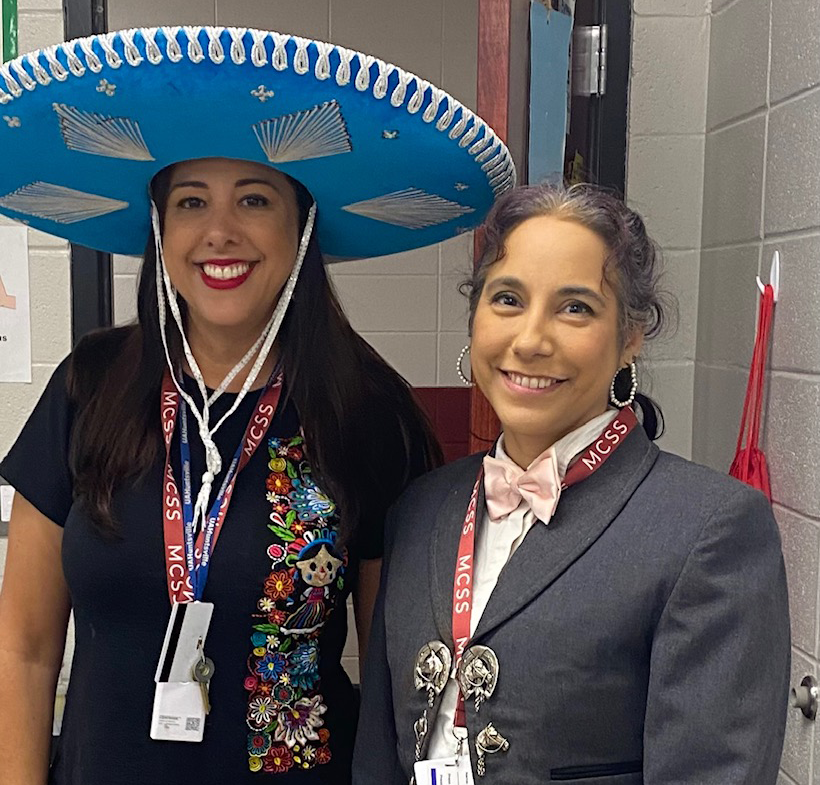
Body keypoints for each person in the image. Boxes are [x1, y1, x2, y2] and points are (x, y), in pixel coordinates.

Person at [0, 26, 515, 785]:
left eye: (253, 198)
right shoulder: (90, 386)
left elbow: (393, 673)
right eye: (190, 201)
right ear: (160, 228)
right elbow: (26, 642)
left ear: (300, 225)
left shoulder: (366, 409)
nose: (219, 231)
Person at [353, 184, 790, 785]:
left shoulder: (709, 531)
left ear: (631, 335)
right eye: (507, 299)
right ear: (475, 315)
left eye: (575, 308)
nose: (530, 341)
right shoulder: (421, 510)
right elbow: (377, 754)